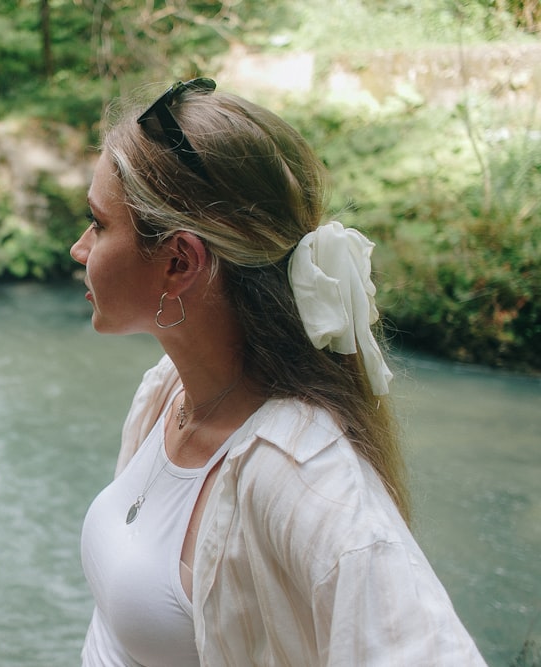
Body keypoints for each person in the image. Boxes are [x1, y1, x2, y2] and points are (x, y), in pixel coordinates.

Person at [70, 78, 487, 666]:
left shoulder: (298, 473)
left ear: (179, 262)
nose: (79, 250)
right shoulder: (167, 394)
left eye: (98, 223)